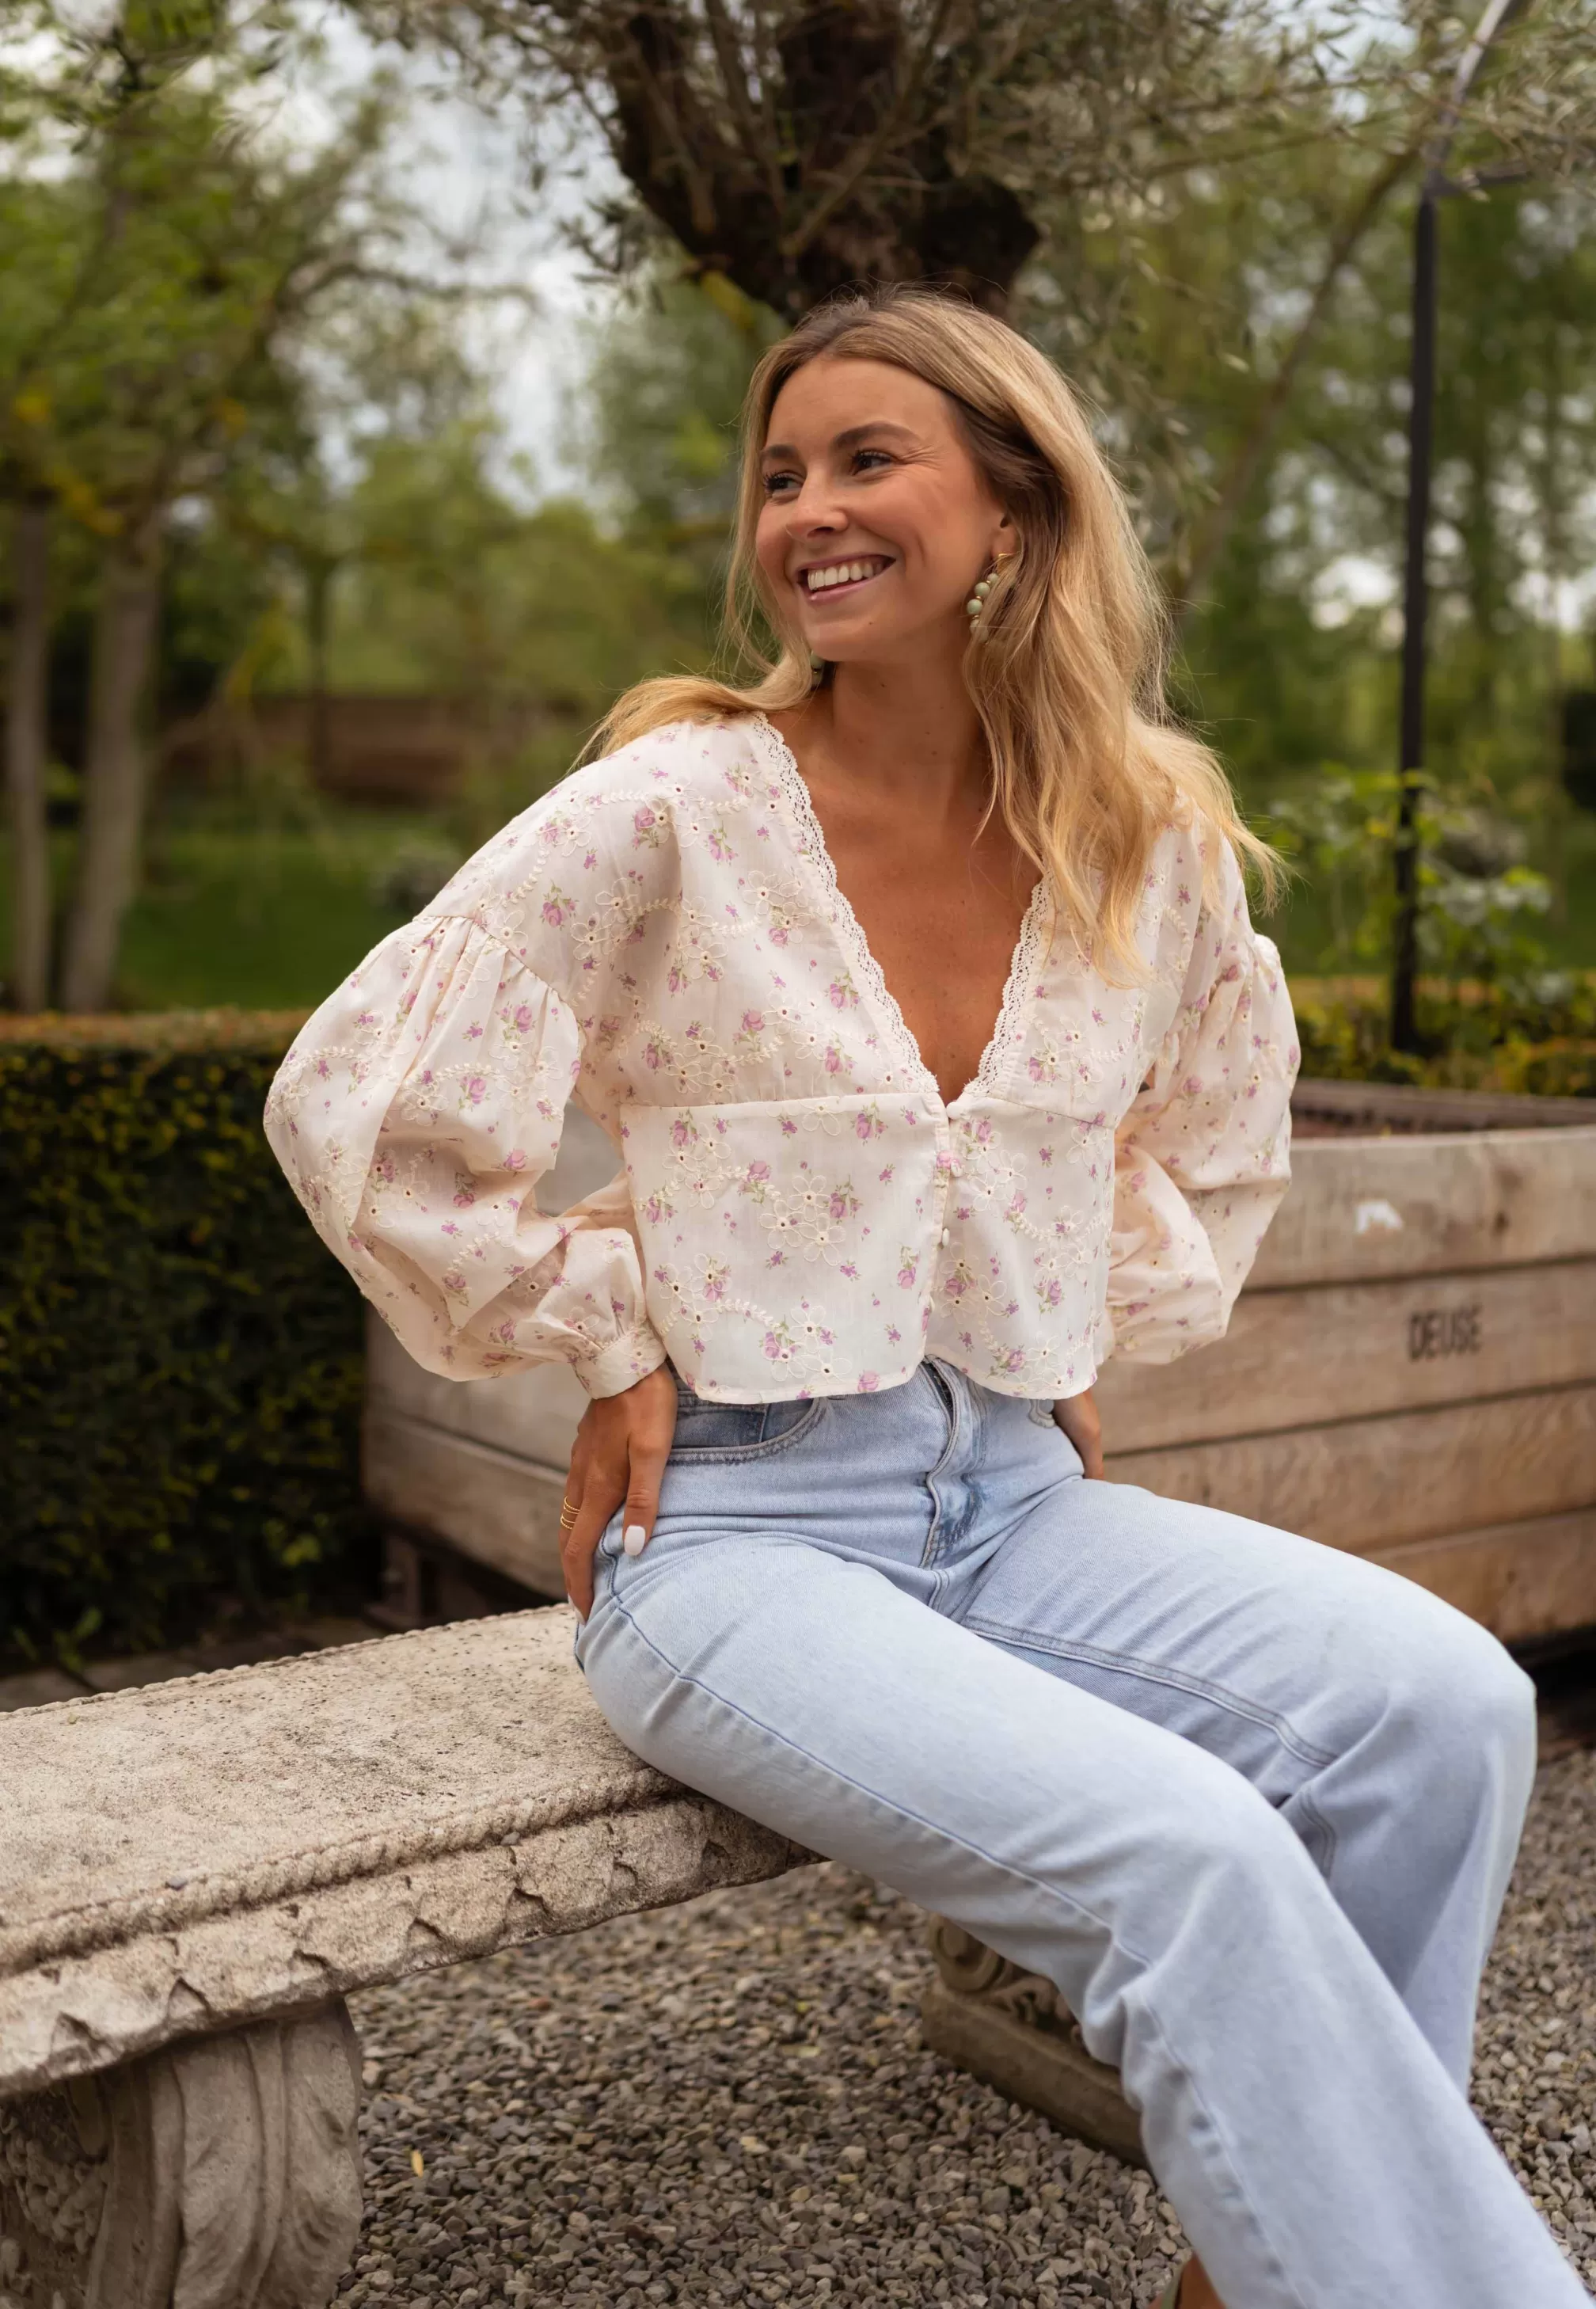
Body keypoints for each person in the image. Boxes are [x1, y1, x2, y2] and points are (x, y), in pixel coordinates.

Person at [266, 285, 1582, 2309]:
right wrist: (611, 1329)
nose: (807, 510)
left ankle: (1270, 2269)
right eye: (781, 473)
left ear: (1015, 512)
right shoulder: (670, 811)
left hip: (1015, 1498)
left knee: (1447, 1711)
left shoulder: (1140, 838)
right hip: (733, 1537)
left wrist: (1049, 1311)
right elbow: (363, 1108)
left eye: (868, 459)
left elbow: (1217, 1140)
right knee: (1192, 1857)